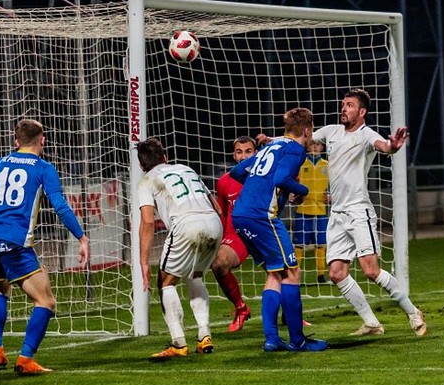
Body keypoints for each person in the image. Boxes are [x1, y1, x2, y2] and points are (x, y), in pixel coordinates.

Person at [0, 119, 90, 374]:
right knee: (46, 301)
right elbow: (60, 206)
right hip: (14, 244)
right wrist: (81, 237)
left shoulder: (0, 163)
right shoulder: (44, 168)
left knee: (1, 290)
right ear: (43, 140)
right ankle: (25, 359)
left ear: (16, 141)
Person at [310, 88, 425, 337]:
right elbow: (302, 140)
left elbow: (384, 146)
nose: (343, 108)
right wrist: (273, 142)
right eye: (343, 104)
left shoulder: (365, 135)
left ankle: (413, 312)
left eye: (349, 105)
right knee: (336, 273)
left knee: (371, 271)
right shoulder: (330, 131)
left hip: (358, 212)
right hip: (337, 214)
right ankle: (371, 323)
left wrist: (393, 145)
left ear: (361, 112)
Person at [231, 107, 327, 352]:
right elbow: (281, 178)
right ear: (307, 130)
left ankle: (272, 339)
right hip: (262, 217)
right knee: (292, 273)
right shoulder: (295, 150)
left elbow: (238, 171)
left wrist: (259, 186)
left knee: (275, 274)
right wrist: (302, 191)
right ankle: (298, 340)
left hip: (241, 215)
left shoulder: (270, 147)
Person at [137, 138, 223, 358]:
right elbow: (217, 207)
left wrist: (144, 261)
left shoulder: (146, 180)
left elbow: (147, 222)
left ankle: (178, 343)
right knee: (194, 275)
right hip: (214, 222)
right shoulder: (186, 168)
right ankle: (204, 335)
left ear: (141, 165)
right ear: (165, 157)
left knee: (166, 282)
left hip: (186, 225)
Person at [211, 136, 256, 332]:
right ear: (233, 155)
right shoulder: (224, 182)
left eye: (248, 151)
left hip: (264, 231)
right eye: (239, 151)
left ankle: (292, 316)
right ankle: (241, 308)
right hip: (237, 235)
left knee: (287, 271)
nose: (243, 156)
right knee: (218, 264)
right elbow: (221, 213)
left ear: (256, 153)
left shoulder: (265, 175)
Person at [294, 140, 330, 282]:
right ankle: (295, 276)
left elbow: (335, 186)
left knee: (321, 243)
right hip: (303, 209)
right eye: (312, 144)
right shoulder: (300, 164)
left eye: (318, 144)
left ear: (322, 147)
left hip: (321, 210)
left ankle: (321, 275)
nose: (315, 147)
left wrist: (331, 195)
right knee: (299, 245)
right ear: (307, 146)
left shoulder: (327, 165)